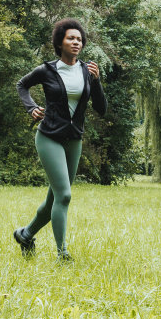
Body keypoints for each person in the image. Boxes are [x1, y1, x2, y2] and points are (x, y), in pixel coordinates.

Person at [13, 19, 106, 261]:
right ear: (59, 42)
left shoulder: (88, 71)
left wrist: (97, 82)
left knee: (54, 198)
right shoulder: (47, 70)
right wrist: (31, 107)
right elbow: (22, 85)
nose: (76, 42)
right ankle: (62, 254)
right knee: (64, 195)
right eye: (71, 38)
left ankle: (25, 234)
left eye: (79, 39)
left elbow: (101, 108)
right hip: (48, 137)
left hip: (74, 139)